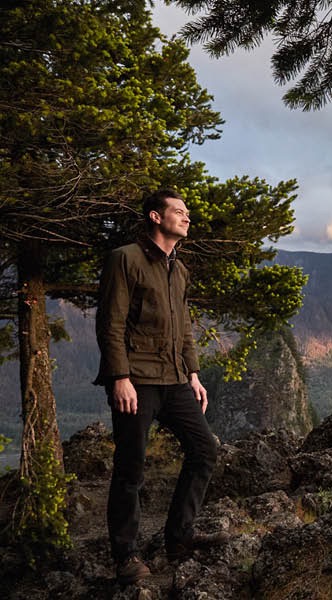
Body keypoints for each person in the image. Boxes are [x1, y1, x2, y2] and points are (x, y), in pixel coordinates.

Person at [94, 189, 226, 585]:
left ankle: (179, 538)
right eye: (179, 212)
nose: (187, 218)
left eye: (187, 212)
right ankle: (126, 556)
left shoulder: (178, 269)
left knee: (204, 450)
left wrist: (194, 374)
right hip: (137, 380)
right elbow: (110, 323)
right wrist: (120, 378)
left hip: (175, 379)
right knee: (130, 468)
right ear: (155, 217)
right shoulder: (126, 259)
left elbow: (183, 327)